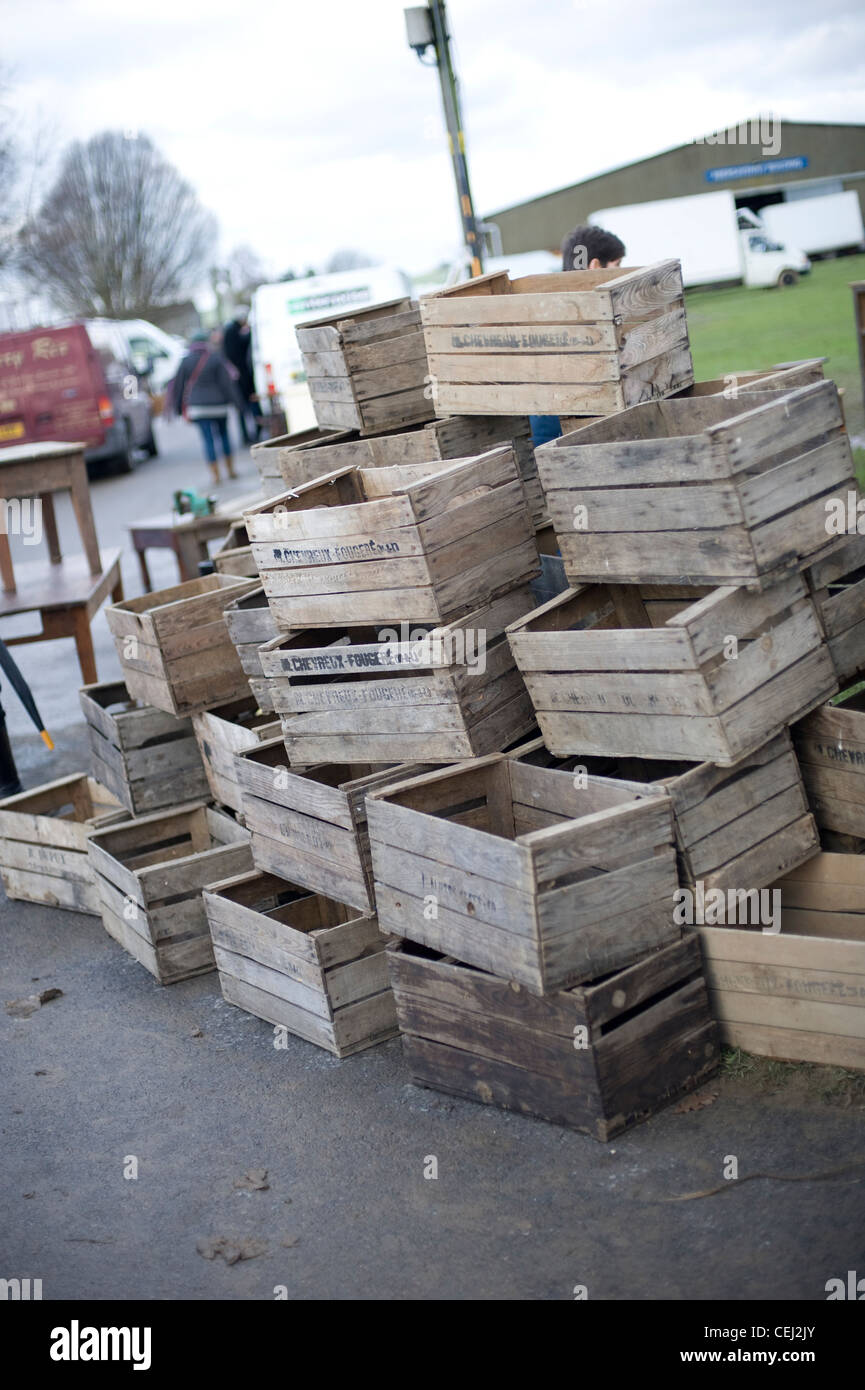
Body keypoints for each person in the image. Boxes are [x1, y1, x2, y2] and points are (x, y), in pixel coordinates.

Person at [529, 224, 627, 448]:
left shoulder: (542, 304)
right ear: (594, 266)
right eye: (617, 265)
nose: (621, 272)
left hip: (547, 441)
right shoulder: (583, 314)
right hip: (571, 440)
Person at [171, 331, 245, 484]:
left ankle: (216, 475)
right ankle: (230, 470)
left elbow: (178, 386)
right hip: (219, 406)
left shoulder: (186, 361)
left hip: (198, 408)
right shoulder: (216, 358)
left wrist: (178, 408)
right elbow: (227, 384)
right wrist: (238, 404)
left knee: (208, 440)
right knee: (224, 435)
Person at [223, 306, 262, 445]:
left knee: (243, 408)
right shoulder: (234, 332)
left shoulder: (230, 330)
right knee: (250, 404)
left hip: (239, 378)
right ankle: (255, 431)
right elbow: (240, 349)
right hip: (243, 378)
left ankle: (248, 434)